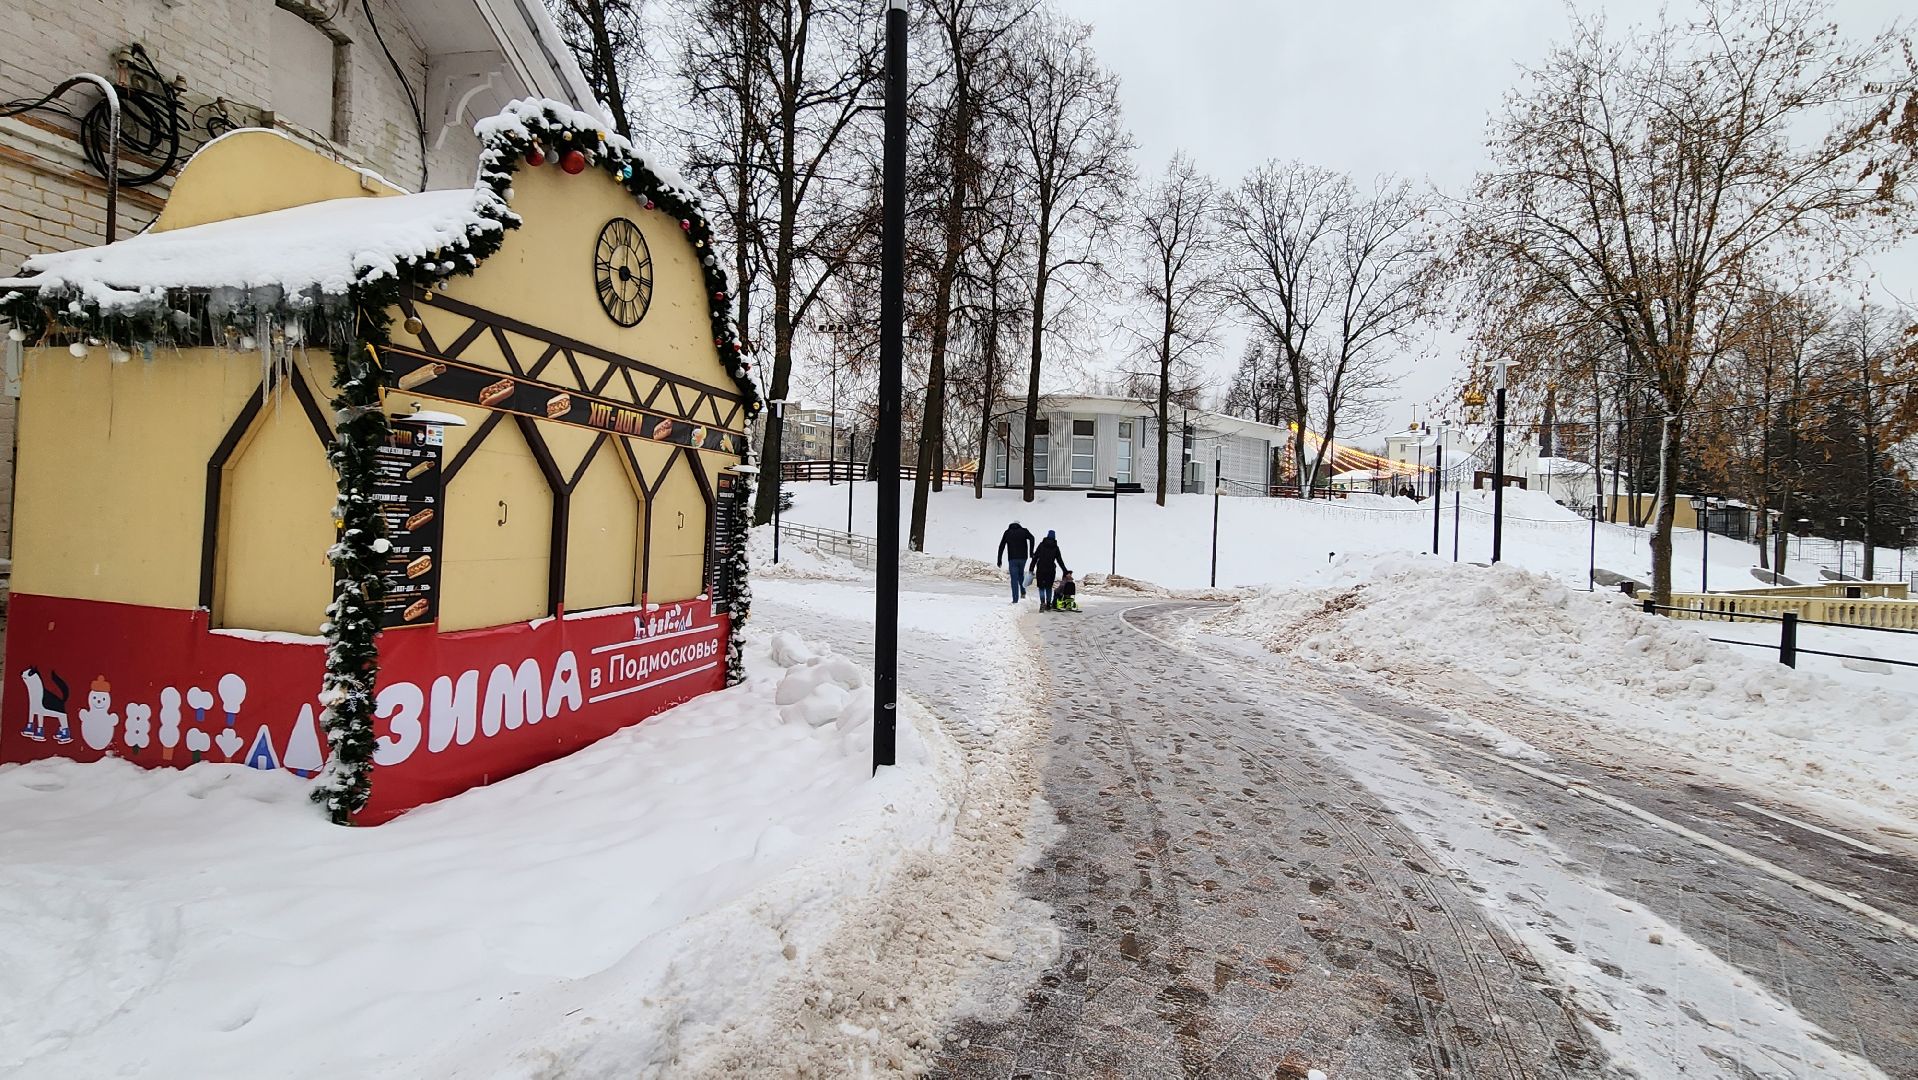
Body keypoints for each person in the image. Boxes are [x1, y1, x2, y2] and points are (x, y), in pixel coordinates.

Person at [996, 520, 1036, 604]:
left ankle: (1015, 600)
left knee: (1014, 578)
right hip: (1023, 558)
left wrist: (999, 559)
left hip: (1012, 558)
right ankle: (1023, 591)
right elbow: (1032, 538)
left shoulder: (1007, 533)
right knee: (1021, 574)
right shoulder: (1024, 531)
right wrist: (1031, 552)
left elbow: (1001, 545)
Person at [1031, 530, 1068, 610]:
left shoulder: (1041, 545)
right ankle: (1048, 604)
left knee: (1041, 587)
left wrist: (1031, 568)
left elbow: (1035, 557)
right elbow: (1059, 560)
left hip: (1040, 569)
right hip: (1051, 570)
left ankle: (1042, 603)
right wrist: (1065, 570)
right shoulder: (1055, 547)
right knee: (1048, 587)